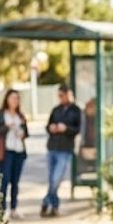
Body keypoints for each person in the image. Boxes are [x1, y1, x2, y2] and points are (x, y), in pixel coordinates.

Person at [41, 83, 82, 217]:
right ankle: (54, 206)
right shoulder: (56, 109)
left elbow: (78, 129)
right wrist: (51, 128)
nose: (60, 98)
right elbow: (48, 125)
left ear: (69, 94)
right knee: (51, 178)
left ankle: (46, 202)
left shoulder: (76, 110)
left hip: (65, 149)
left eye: (62, 95)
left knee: (56, 178)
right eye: (58, 96)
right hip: (52, 147)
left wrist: (66, 129)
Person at [0, 89, 29, 218]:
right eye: (12, 98)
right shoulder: (0, 115)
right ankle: (2, 209)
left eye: (17, 98)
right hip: (5, 152)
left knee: (15, 181)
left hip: (19, 151)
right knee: (4, 180)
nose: (15, 101)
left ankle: (14, 208)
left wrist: (22, 134)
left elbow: (26, 133)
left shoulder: (21, 116)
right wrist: (7, 127)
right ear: (7, 99)